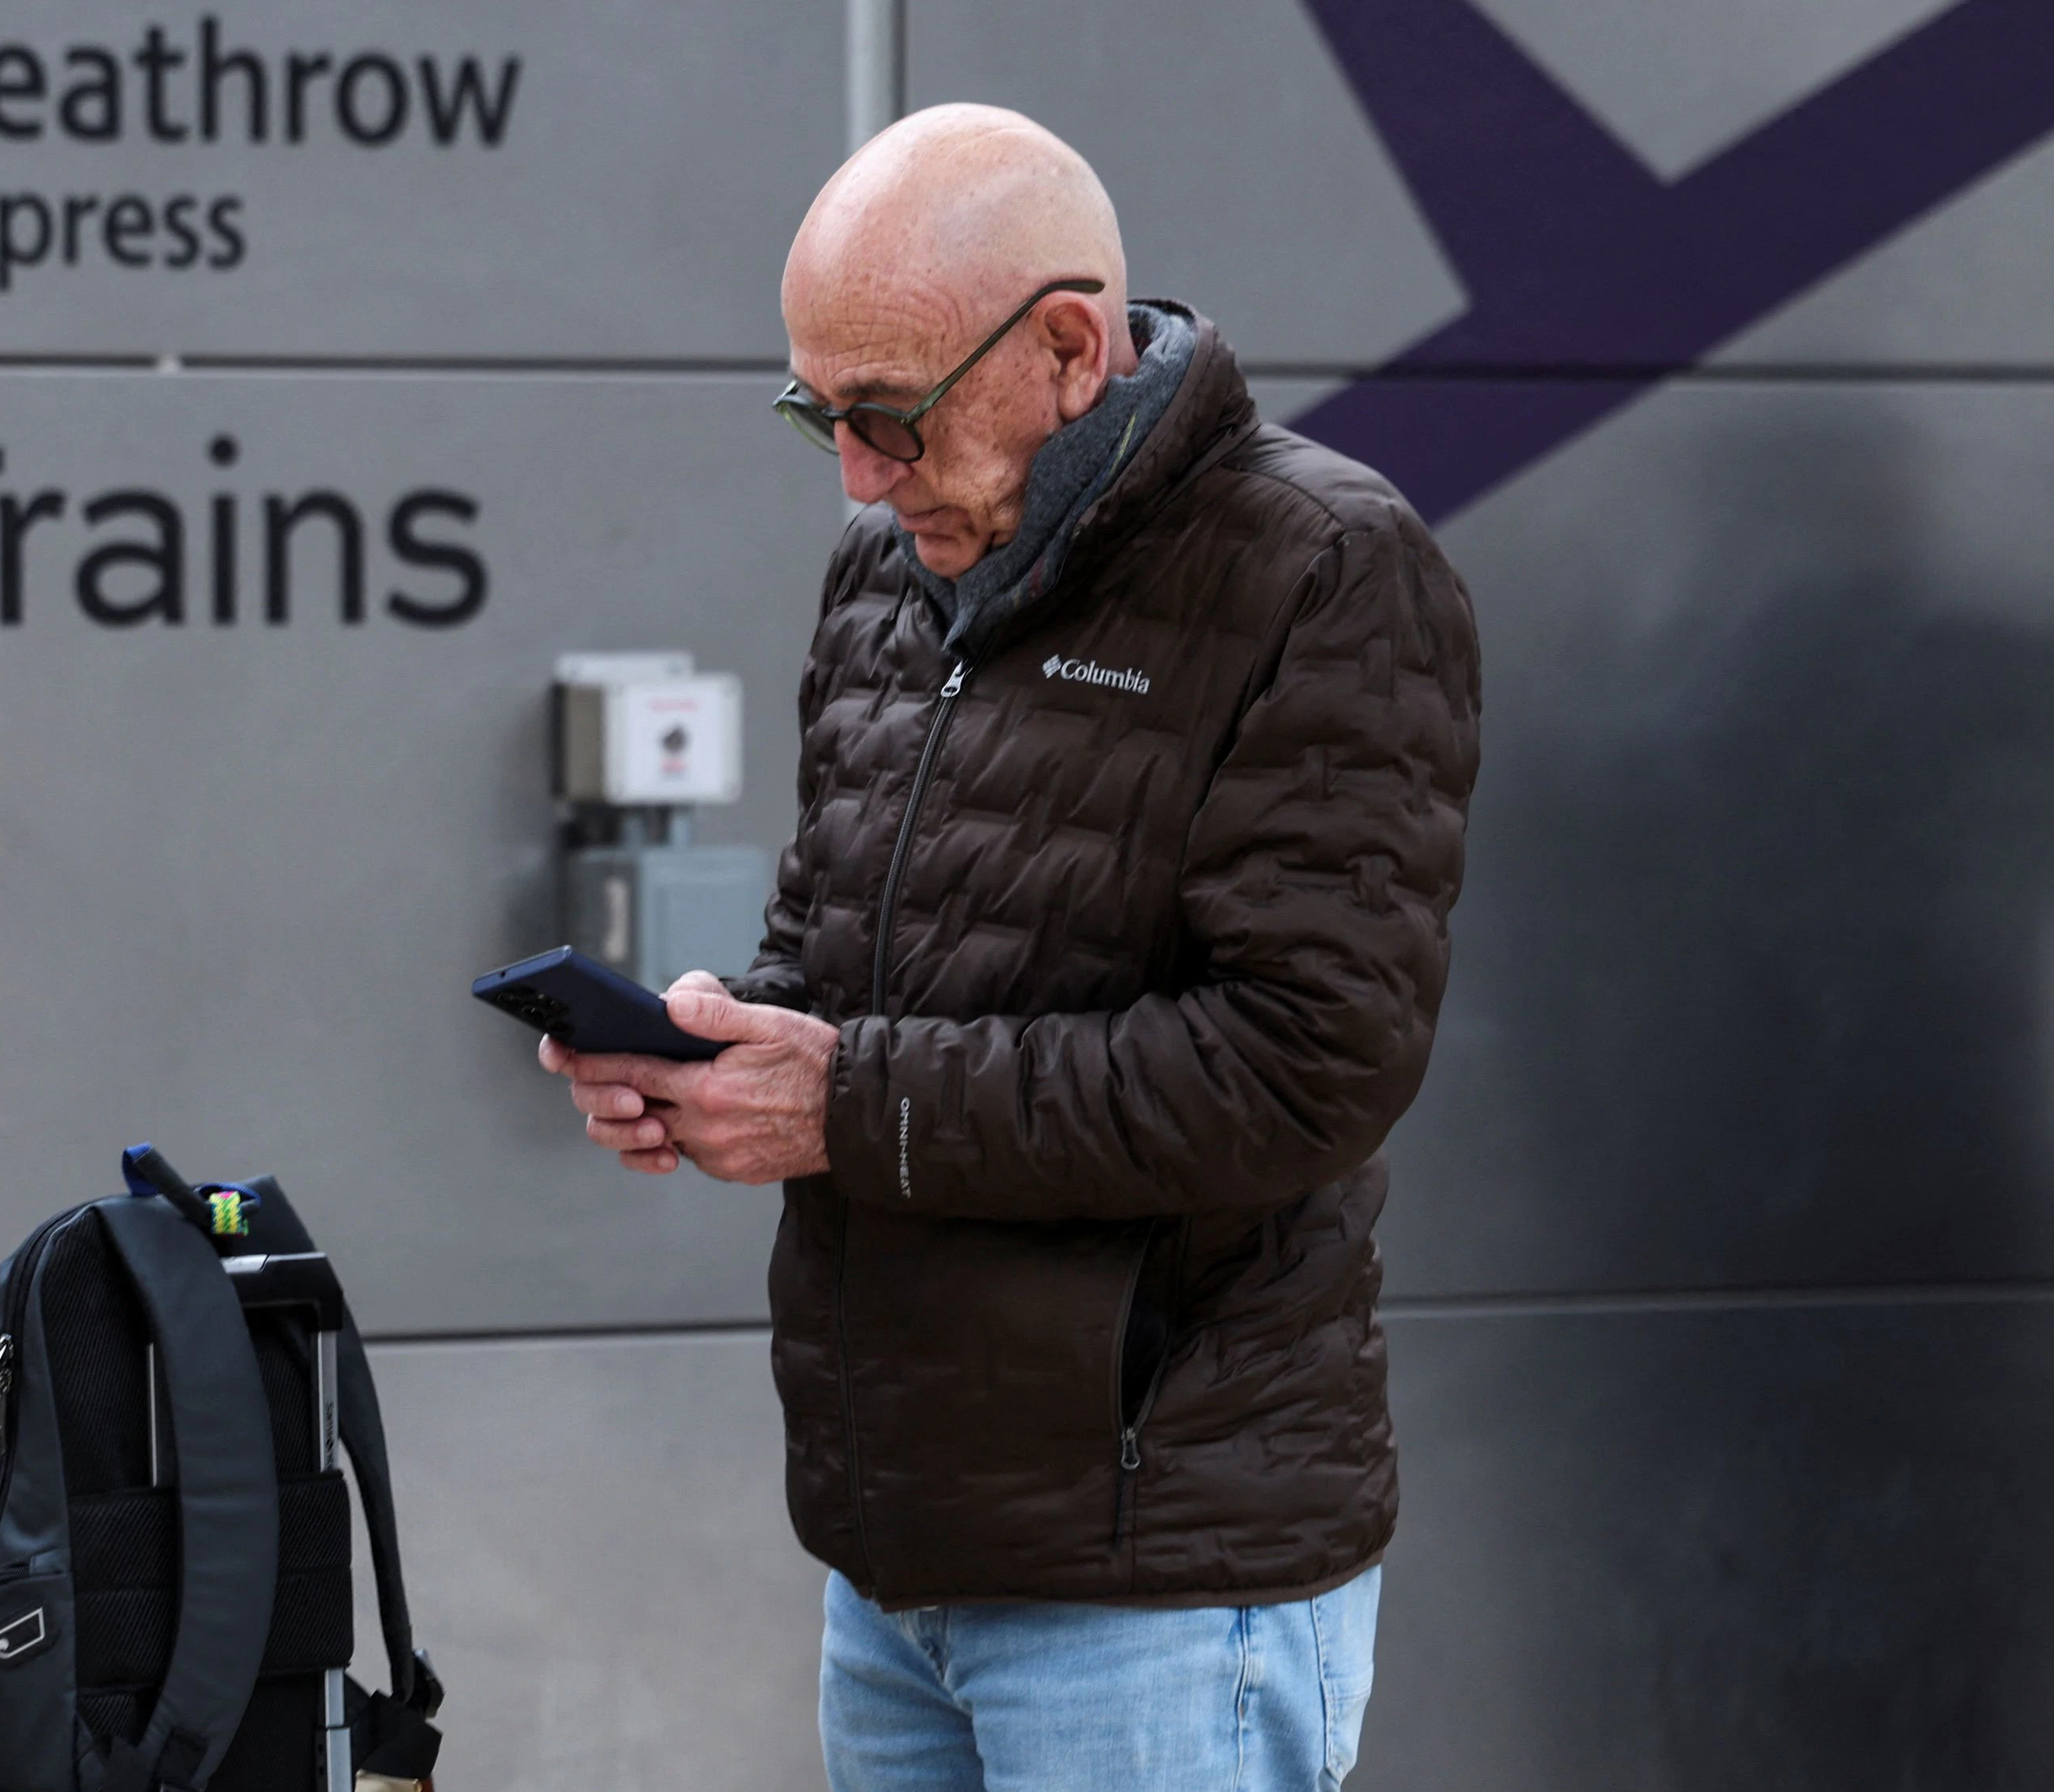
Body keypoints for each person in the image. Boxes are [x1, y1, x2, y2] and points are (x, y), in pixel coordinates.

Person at [539, 104, 1479, 1792]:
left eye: (888, 417)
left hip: (1159, 1579)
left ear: (1064, 347)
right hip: (893, 1550)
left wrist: (845, 1108)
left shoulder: (1322, 567)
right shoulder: (880, 571)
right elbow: (830, 959)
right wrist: (712, 1049)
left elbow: (1307, 1066)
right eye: (817, 417)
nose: (854, 474)